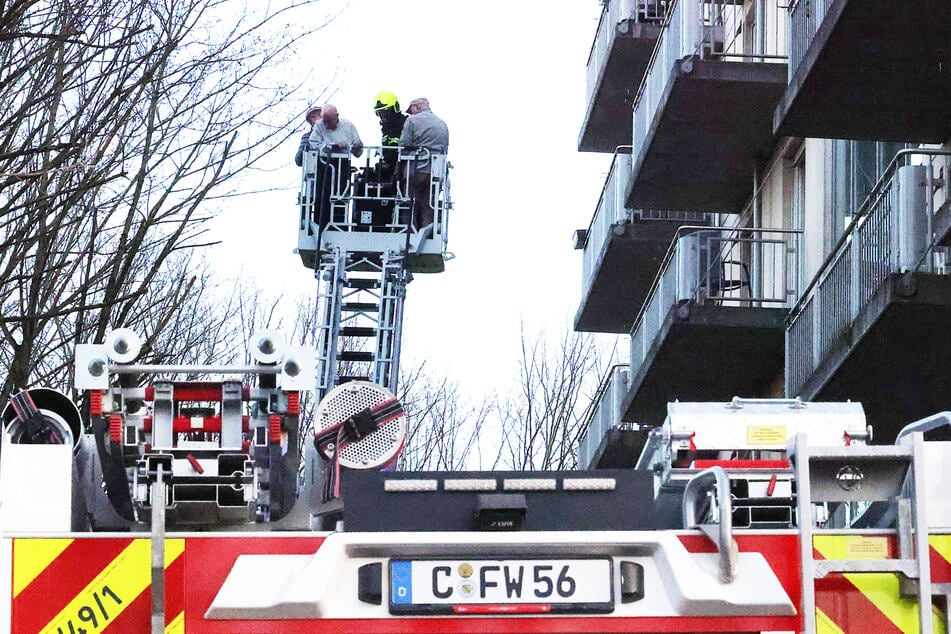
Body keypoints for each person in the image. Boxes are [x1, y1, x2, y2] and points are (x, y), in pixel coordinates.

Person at [308, 104, 364, 234]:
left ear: (337, 116)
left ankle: (339, 227)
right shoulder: (319, 126)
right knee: (322, 197)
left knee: (341, 196)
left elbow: (358, 151)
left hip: (342, 165)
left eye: (329, 120)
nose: (326, 124)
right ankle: (321, 227)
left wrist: (357, 146)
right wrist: (331, 146)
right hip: (323, 164)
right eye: (324, 120)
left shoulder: (348, 126)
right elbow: (313, 144)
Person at [399, 97, 449, 230]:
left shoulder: (412, 120)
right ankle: (427, 232)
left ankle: (410, 231)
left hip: (416, 168)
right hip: (436, 171)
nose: (410, 113)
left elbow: (404, 145)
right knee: (428, 205)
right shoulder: (442, 124)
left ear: (417, 107)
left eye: (411, 110)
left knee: (409, 202)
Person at [373, 90, 406, 183]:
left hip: (402, 167)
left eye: (385, 112)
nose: (383, 116)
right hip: (391, 168)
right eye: (379, 113)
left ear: (395, 108)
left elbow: (396, 149)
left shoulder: (404, 123)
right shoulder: (386, 128)